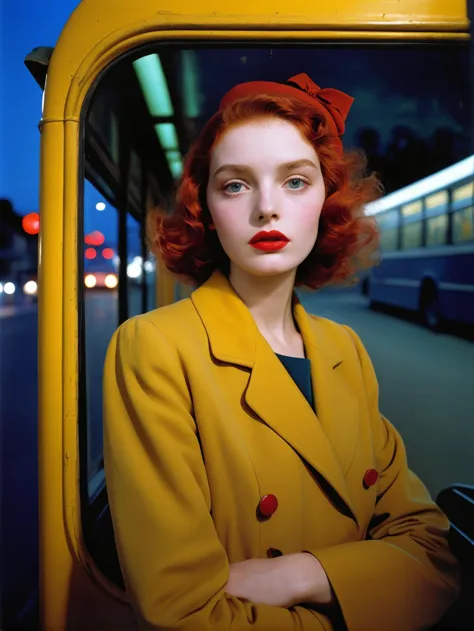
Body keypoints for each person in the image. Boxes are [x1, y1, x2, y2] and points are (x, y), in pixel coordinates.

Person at [103, 73, 460, 631]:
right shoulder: (156, 347)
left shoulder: (345, 349)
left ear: (326, 200)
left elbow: (434, 551)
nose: (267, 208)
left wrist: (305, 574)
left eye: (295, 181)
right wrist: (364, 590)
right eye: (235, 185)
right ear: (207, 210)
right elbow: (183, 610)